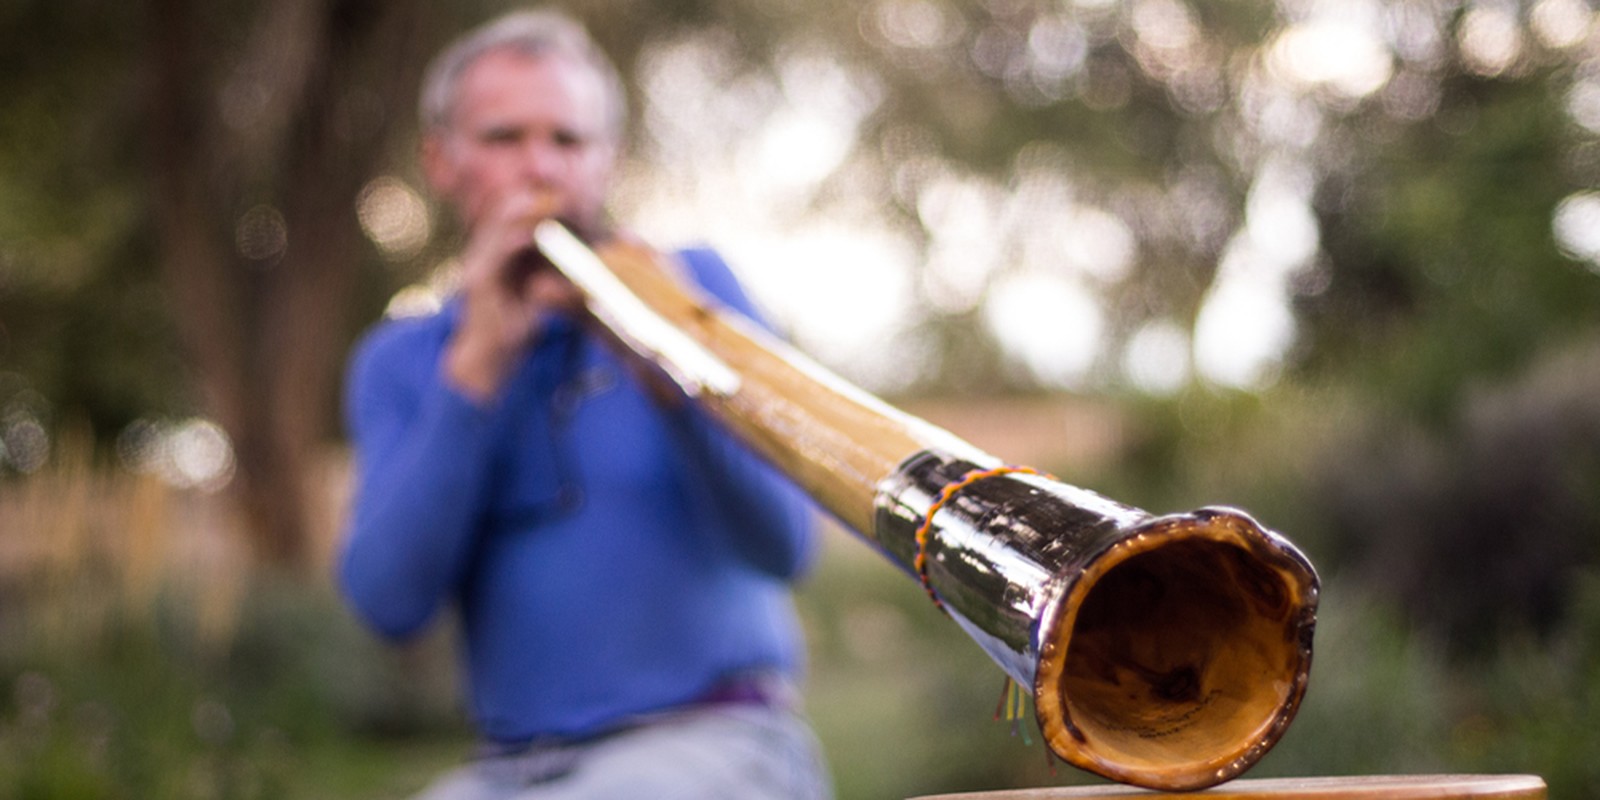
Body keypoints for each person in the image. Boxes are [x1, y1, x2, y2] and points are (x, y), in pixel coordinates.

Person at [337, 9, 831, 799]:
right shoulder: (400, 361)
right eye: (504, 138)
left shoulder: (693, 288)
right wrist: (473, 375)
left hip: (718, 741)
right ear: (442, 161)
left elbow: (784, 546)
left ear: (609, 160)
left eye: (568, 141)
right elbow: (389, 605)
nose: (541, 169)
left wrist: (671, 369)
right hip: (511, 769)